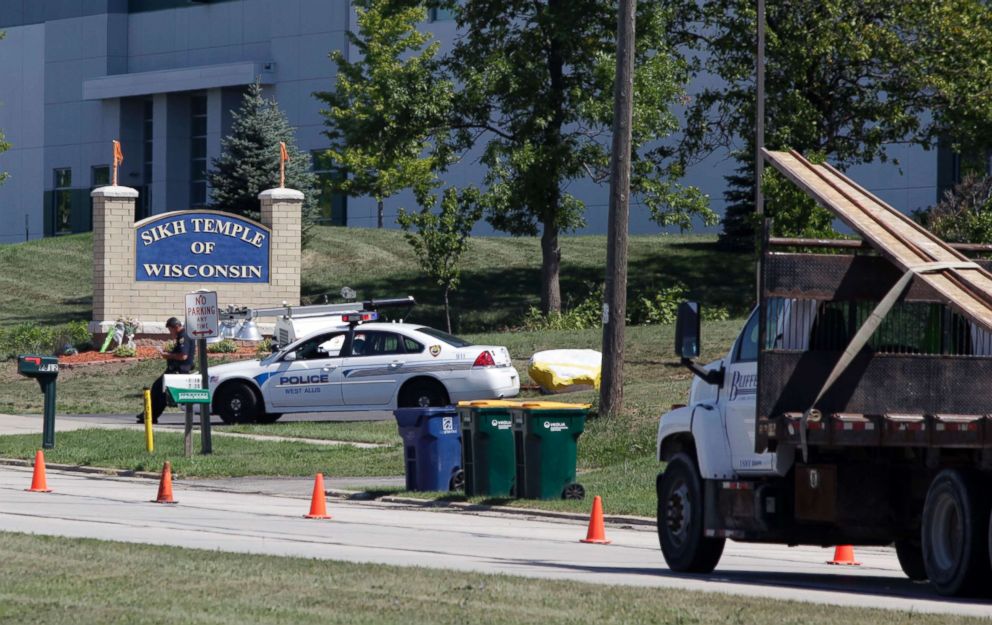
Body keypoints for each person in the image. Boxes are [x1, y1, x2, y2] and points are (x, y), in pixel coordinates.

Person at [137, 317, 196, 424]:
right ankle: (149, 416)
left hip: (178, 371)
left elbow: (183, 356)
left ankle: (150, 416)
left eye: (170, 330)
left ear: (176, 327)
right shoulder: (182, 336)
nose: (170, 332)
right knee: (160, 392)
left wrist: (168, 355)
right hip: (175, 370)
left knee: (157, 389)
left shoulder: (183, 336)